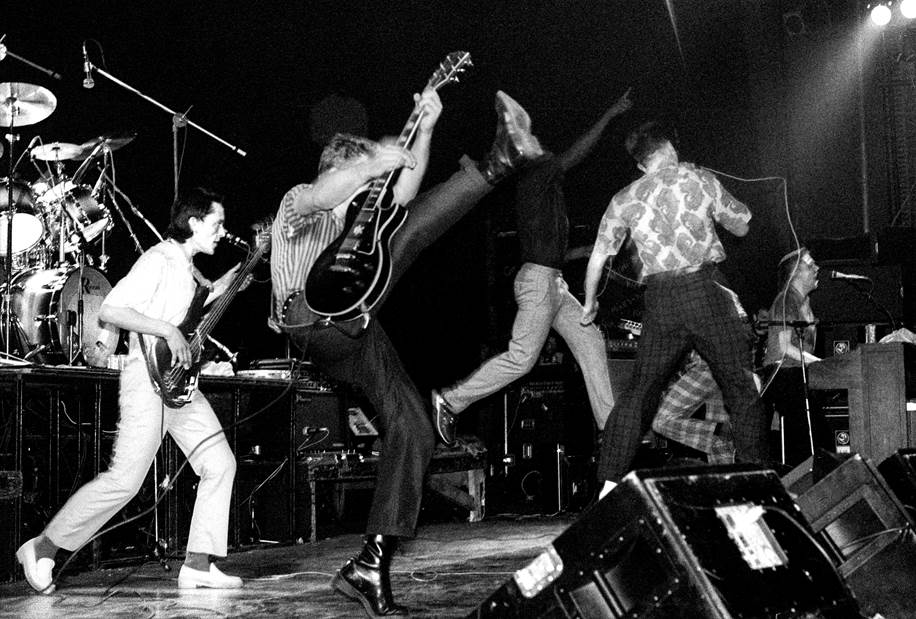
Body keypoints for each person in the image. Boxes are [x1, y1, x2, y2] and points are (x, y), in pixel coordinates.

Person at [270, 87, 543, 617]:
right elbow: (325, 195)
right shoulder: (299, 202)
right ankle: (500, 160)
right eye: (362, 182)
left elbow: (403, 195)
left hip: (356, 327)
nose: (366, 195)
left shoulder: (360, 231)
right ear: (338, 170)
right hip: (311, 319)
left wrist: (429, 128)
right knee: (409, 233)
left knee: (414, 426)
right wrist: (374, 160)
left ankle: (370, 563)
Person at [16, 187, 247, 593]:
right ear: (193, 224)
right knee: (124, 481)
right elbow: (111, 310)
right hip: (147, 383)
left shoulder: (188, 269)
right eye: (216, 223)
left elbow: (188, 313)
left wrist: (231, 283)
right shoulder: (158, 259)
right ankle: (43, 547)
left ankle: (197, 562)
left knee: (220, 463)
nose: (222, 232)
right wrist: (167, 329)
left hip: (178, 384)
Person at [431, 89, 633, 446]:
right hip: (539, 283)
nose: (544, 145)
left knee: (590, 339)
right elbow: (576, 154)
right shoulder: (537, 174)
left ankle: (611, 430)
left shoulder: (546, 189)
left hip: (552, 283)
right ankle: (450, 399)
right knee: (522, 359)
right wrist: (610, 114)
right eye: (535, 141)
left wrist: (587, 250)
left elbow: (551, 252)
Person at [582, 120, 769, 496]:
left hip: (661, 300)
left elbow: (598, 257)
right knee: (741, 386)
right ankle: (754, 482)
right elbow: (743, 227)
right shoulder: (698, 178)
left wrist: (589, 303)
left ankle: (607, 485)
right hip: (703, 291)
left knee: (639, 392)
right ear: (669, 146)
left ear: (640, 164)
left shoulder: (625, 197)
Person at [761, 247, 830, 466]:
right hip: (783, 375)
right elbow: (784, 348)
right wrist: (822, 364)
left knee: (818, 434)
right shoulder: (786, 300)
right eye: (810, 265)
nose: (817, 268)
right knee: (812, 435)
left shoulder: (803, 304)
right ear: (795, 274)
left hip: (796, 374)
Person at [651, 350, 736, 464]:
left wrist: (718, 429)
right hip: (729, 459)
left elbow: (662, 422)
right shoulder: (714, 369)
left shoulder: (707, 370)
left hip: (722, 459)